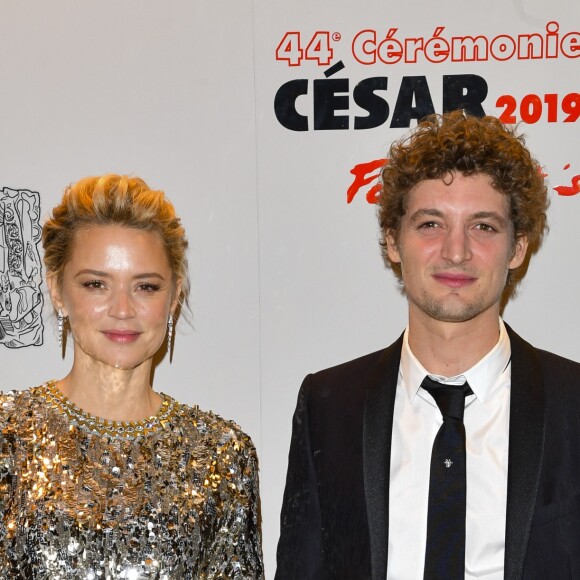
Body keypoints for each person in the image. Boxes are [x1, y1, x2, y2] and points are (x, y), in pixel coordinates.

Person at [275, 111, 580, 579]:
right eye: (431, 224)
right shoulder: (328, 408)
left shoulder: (573, 404)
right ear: (392, 242)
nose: (455, 251)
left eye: (483, 227)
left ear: (518, 248)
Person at [0, 174, 264, 579]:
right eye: (95, 284)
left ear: (174, 297)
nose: (122, 309)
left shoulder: (222, 455)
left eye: (145, 287)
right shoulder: (8, 435)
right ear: (56, 290)